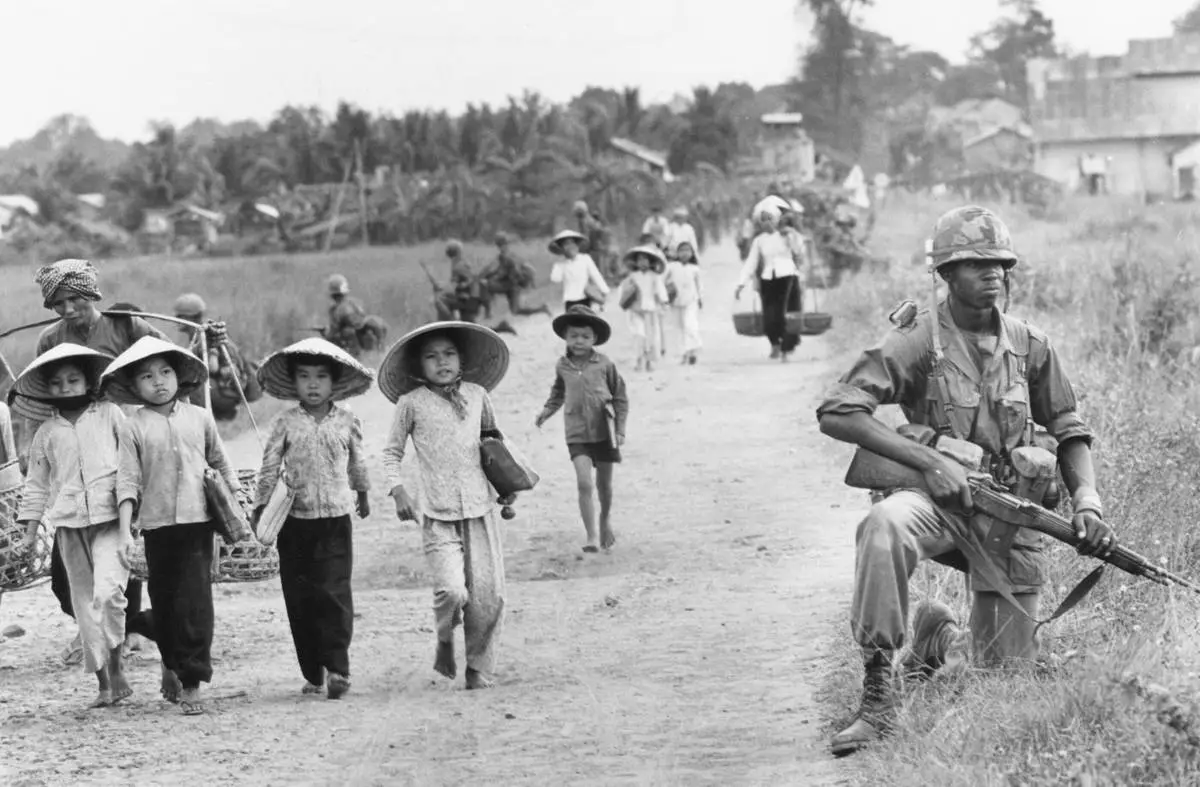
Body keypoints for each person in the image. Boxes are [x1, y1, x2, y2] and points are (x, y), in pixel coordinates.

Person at [815, 205, 1116, 756]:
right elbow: (838, 411)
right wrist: (929, 461)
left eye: (1000, 263)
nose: (993, 274)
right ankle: (878, 698)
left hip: (1010, 514)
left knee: (1001, 678)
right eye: (975, 265)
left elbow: (1070, 429)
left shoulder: (1030, 346)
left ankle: (938, 637)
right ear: (946, 275)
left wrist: (1087, 504)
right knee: (883, 524)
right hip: (935, 504)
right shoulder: (918, 341)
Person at [29, 259, 167, 665]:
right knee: (65, 574)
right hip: (78, 454)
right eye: (58, 303)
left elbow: (166, 361)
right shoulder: (51, 339)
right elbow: (43, 400)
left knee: (127, 544)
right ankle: (112, 628)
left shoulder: (126, 326)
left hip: (126, 438)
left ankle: (122, 635)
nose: (68, 310)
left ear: (92, 294)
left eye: (75, 300)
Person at [107, 336, 242, 715]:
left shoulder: (199, 417)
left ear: (179, 377)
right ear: (134, 387)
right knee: (167, 605)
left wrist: (237, 506)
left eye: (166, 372)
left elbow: (221, 462)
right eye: (147, 376)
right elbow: (128, 481)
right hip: (157, 527)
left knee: (196, 605)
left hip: (199, 523)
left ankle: (193, 682)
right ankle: (161, 647)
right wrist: (124, 531)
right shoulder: (133, 427)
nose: (159, 381)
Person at [380, 322, 513, 690]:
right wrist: (398, 490)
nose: (442, 362)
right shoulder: (411, 404)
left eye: (449, 354)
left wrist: (507, 483)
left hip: (480, 507)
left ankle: (477, 668)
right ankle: (444, 635)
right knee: (452, 591)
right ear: (417, 366)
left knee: (489, 596)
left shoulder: (478, 394)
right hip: (437, 513)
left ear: (462, 359)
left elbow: (493, 441)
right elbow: (391, 453)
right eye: (431, 356)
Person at [12, 344, 133, 708]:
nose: (66, 387)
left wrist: (133, 517)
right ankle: (104, 685)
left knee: (108, 595)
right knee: (83, 606)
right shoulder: (47, 433)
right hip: (69, 525)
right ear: (48, 389)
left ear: (88, 381)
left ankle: (117, 665)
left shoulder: (111, 415)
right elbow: (35, 485)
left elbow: (131, 463)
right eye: (58, 383)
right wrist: (30, 532)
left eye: (73, 379)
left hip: (112, 519)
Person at [253, 338, 374, 700]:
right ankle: (313, 671)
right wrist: (260, 508)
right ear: (294, 383)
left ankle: (338, 667)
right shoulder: (285, 423)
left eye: (321, 376)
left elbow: (358, 461)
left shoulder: (348, 420)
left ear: (333, 383)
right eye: (304, 377)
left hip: (336, 519)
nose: (313, 384)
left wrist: (363, 494)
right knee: (301, 597)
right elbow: (270, 466)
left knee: (335, 593)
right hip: (295, 521)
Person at [535, 306, 628, 554]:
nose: (579, 341)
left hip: (604, 432)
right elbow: (558, 393)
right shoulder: (562, 366)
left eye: (585, 336)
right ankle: (591, 536)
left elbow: (619, 397)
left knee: (604, 486)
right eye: (574, 336)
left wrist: (620, 428)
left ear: (594, 339)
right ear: (565, 337)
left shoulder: (605, 364)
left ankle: (605, 520)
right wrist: (546, 411)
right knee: (584, 483)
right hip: (576, 432)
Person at [173, 293, 262, 422]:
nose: (176, 320)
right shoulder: (200, 332)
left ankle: (206, 419)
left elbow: (212, 366)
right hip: (227, 388)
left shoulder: (205, 334)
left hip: (226, 391)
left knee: (187, 384)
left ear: (190, 318)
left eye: (180, 316)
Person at [735, 202, 802, 362]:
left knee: (787, 314)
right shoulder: (760, 240)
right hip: (768, 279)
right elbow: (751, 262)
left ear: (777, 220)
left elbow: (798, 250)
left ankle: (786, 348)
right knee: (770, 314)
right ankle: (774, 344)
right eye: (763, 219)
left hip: (787, 276)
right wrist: (741, 283)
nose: (766, 222)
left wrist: (791, 235)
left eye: (769, 218)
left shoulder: (787, 235)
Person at [618, 245, 670, 372]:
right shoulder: (632, 276)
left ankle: (649, 362)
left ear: (651, 262)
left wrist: (664, 302)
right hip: (636, 310)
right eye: (640, 259)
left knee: (650, 337)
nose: (642, 262)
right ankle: (638, 360)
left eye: (645, 259)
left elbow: (660, 290)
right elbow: (624, 290)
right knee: (639, 335)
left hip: (650, 309)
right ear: (635, 262)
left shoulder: (654, 276)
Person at [479, 232, 551, 319]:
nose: (501, 247)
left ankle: (488, 313)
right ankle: (541, 309)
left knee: (485, 285)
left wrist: (491, 277)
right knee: (515, 311)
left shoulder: (507, 257)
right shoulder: (509, 256)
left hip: (510, 285)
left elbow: (504, 272)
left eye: (500, 244)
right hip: (512, 286)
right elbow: (529, 268)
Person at [548, 230, 609, 312]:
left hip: (585, 298)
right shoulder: (561, 264)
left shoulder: (585, 258)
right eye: (566, 244)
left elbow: (595, 275)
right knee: (572, 323)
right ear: (562, 248)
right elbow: (555, 279)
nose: (570, 246)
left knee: (586, 322)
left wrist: (604, 291)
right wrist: (559, 264)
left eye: (572, 243)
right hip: (570, 300)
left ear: (577, 245)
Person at [664, 240, 704, 365]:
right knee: (678, 328)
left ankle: (693, 350)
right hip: (675, 301)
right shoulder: (671, 266)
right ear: (677, 253)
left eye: (687, 251)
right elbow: (662, 279)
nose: (684, 253)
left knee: (690, 325)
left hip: (691, 300)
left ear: (692, 253)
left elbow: (699, 286)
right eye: (682, 250)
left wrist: (700, 298)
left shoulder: (695, 269)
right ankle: (684, 354)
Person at [326, 274, 368, 358]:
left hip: (348, 350)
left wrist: (325, 334)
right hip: (360, 347)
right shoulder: (353, 304)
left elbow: (333, 333)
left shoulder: (337, 309)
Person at [445, 240, 485, 323]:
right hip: (469, 297)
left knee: (471, 325)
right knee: (470, 324)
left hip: (470, 298)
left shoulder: (458, 266)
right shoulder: (458, 264)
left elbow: (472, 279)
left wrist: (461, 286)